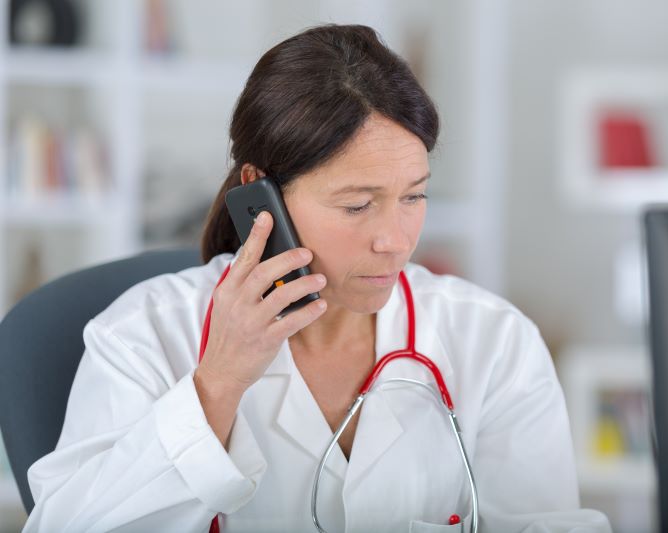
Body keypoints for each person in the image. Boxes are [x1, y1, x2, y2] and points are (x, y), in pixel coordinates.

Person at [22, 24, 610, 533]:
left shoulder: (494, 341)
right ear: (261, 196)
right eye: (357, 205)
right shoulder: (143, 333)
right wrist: (217, 386)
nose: (395, 239)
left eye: (414, 196)